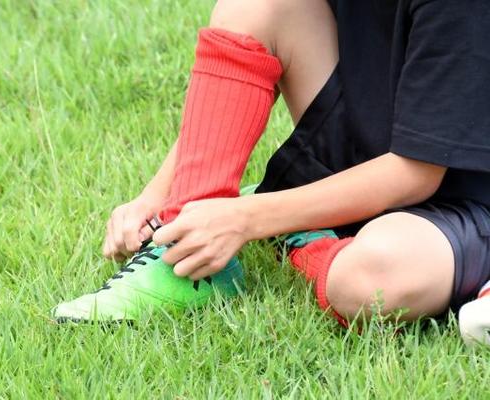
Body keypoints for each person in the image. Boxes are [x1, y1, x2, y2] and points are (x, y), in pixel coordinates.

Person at [53, 0, 490, 328]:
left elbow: (416, 174)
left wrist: (247, 218)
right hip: (368, 152)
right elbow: (228, 85)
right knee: (258, 3)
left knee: (370, 281)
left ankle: (300, 236)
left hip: (461, 199)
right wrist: (158, 197)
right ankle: (186, 254)